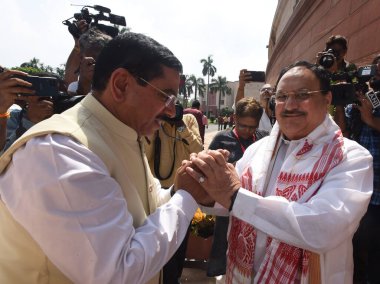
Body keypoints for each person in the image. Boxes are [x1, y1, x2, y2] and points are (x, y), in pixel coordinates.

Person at [0, 32, 209, 284]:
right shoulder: (60, 152)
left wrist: (179, 189)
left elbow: (145, 206)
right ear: (121, 84)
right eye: (164, 96)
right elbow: (117, 273)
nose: (170, 110)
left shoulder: (121, 133)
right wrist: (185, 199)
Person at [183, 61, 373, 283]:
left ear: (327, 99)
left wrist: (234, 196)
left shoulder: (351, 158)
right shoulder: (259, 149)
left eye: (303, 94)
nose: (290, 105)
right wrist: (206, 189)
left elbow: (323, 229)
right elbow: (229, 201)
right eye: (282, 96)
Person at [206, 97, 268, 278]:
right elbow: (208, 168)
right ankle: (219, 274)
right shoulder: (221, 139)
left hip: (254, 203)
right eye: (243, 126)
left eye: (252, 127)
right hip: (227, 203)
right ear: (234, 118)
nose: (247, 132)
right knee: (222, 240)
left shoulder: (264, 138)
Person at [144, 103, 202, 284]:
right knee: (161, 238)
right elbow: (145, 153)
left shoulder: (188, 120)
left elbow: (198, 149)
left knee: (181, 239)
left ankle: (175, 275)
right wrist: (156, 124)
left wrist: (180, 126)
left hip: (184, 190)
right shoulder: (155, 122)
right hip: (159, 192)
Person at [348, 54, 380, 284]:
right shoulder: (361, 101)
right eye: (375, 70)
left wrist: (371, 119)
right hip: (360, 193)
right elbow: (342, 132)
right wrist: (343, 106)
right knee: (358, 250)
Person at [65, 26, 112, 96]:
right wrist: (84, 83)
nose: (97, 64)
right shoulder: (74, 87)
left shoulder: (118, 83)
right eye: (92, 59)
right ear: (81, 59)